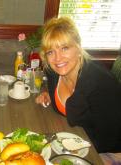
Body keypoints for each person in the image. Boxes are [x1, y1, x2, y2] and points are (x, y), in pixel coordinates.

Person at [36, 17, 121, 163]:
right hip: (75, 140)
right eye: (51, 52)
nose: (57, 58)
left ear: (79, 48)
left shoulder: (100, 83)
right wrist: (51, 95)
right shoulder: (53, 72)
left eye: (65, 48)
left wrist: (70, 148)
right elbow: (70, 104)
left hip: (108, 151)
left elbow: (110, 138)